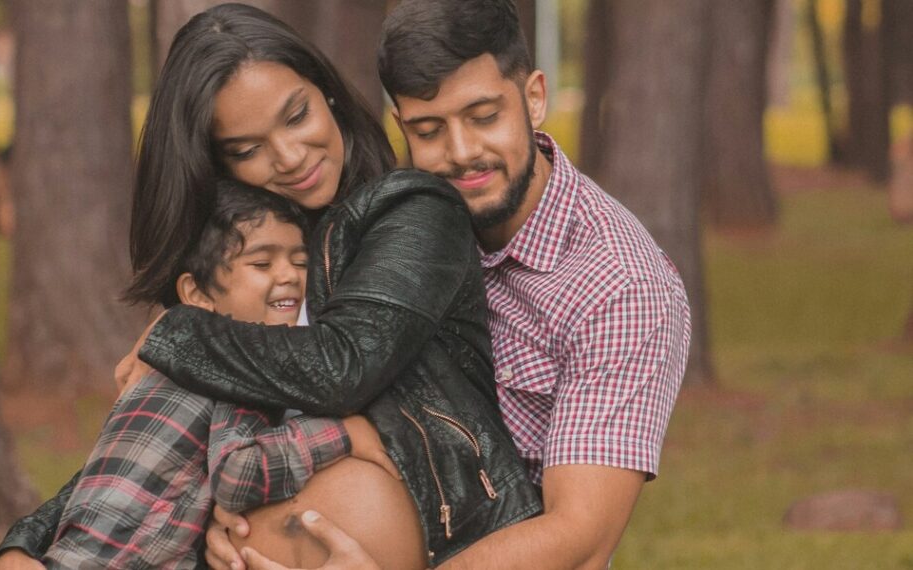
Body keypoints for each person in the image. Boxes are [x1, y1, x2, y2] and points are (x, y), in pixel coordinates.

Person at [0, 3, 541, 569]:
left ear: (325, 92)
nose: (290, 156)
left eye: (296, 115)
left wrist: (179, 329)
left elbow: (343, 366)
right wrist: (27, 542)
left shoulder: (413, 210)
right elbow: (157, 440)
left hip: (449, 541)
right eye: (247, 149)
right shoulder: (243, 273)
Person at [212, 1, 692, 568]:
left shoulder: (619, 286)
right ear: (402, 127)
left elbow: (579, 541)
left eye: (484, 115)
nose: (462, 153)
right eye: (429, 129)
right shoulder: (397, 217)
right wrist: (226, 521)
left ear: (534, 97)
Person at [35, 181, 402, 568]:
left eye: (300, 261)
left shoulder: (162, 369)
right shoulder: (239, 366)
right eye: (262, 263)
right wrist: (345, 435)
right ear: (196, 294)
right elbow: (237, 476)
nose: (290, 275)